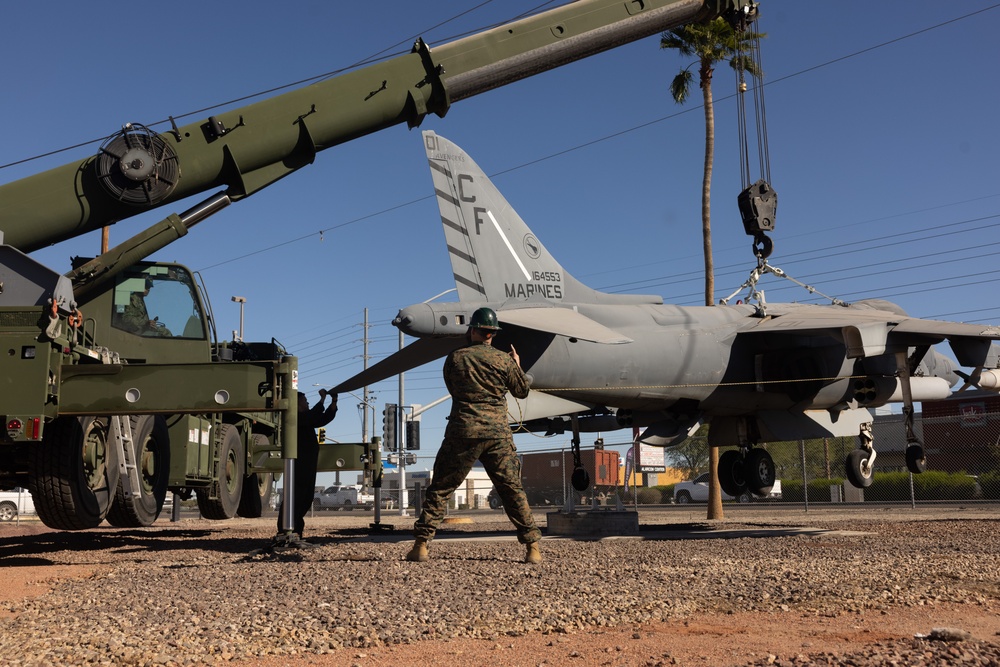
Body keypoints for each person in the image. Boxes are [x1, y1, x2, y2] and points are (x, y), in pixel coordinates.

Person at [406, 307, 542, 564]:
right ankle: (532, 547)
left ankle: (421, 545)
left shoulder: (455, 358)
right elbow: (522, 391)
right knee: (511, 489)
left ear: (473, 330)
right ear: (493, 333)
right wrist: (517, 365)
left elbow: (452, 387)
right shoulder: (504, 360)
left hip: (462, 430)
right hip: (497, 435)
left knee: (442, 488)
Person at [277, 388, 338, 540]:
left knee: (305, 498)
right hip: (299, 464)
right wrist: (323, 400)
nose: (307, 402)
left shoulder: (306, 418)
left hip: (309, 464)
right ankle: (286, 530)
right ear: (296, 404)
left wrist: (333, 402)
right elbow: (313, 416)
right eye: (305, 400)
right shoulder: (294, 418)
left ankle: (296, 530)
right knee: (296, 496)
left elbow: (322, 419)